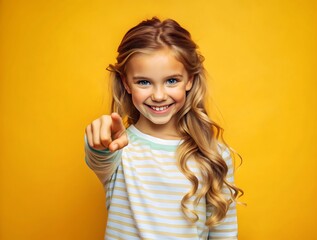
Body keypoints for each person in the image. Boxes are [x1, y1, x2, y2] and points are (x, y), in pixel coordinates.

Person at [85, 17, 243, 240]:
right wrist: (99, 141)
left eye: (171, 81)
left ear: (189, 80)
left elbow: (224, 234)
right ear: (126, 83)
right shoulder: (119, 149)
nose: (159, 96)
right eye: (144, 82)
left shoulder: (213, 154)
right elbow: (99, 155)